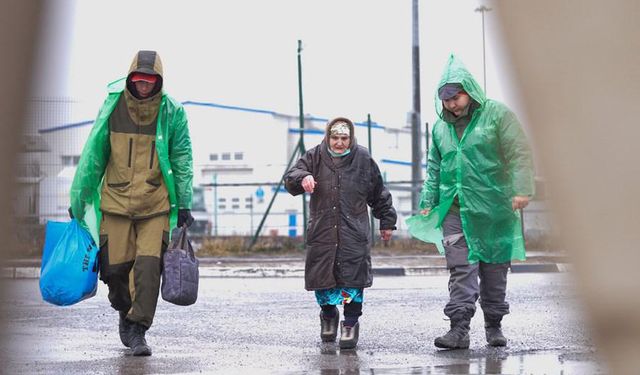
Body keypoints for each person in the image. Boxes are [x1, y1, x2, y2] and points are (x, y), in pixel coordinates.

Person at [69, 50, 194, 356]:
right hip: (115, 203)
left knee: (149, 269)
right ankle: (125, 311)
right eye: (138, 80)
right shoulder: (113, 107)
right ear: (129, 79)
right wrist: (79, 196)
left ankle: (138, 329)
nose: (143, 86)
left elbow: (182, 158)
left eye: (150, 81)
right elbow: (94, 155)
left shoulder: (172, 112)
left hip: (155, 205)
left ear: (159, 82)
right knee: (114, 271)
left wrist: (185, 201)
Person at [417, 55, 534, 349]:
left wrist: (521, 189)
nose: (452, 105)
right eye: (446, 100)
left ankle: (493, 325)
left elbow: (519, 152)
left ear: (469, 91)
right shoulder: (440, 128)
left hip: (495, 208)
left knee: (494, 268)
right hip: (455, 209)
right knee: (461, 268)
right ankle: (459, 329)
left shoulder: (497, 115)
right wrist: (428, 199)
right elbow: (434, 166)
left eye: (456, 97)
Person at [284, 117, 397, 349]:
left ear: (351, 138)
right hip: (322, 233)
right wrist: (302, 177)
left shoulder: (363, 158)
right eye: (334, 138)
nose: (339, 143)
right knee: (323, 279)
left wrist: (387, 221)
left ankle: (350, 323)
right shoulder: (314, 156)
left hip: (353, 233)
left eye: (344, 138)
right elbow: (290, 178)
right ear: (327, 137)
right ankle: (328, 316)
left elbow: (379, 192)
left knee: (353, 281)